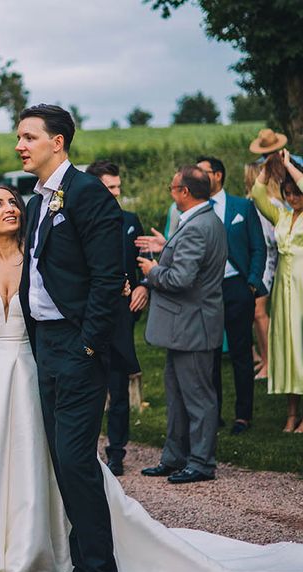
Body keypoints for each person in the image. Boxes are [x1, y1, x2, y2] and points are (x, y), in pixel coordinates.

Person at [0, 185, 303, 572]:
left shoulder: (39, 255)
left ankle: (55, 556)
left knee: (51, 460)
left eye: (12, 202)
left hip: (38, 366)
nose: (9, 208)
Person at [11, 104, 124, 572]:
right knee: (63, 463)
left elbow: (108, 278)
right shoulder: (37, 200)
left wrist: (86, 346)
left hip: (77, 348)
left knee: (76, 463)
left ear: (58, 142)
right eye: (19, 138)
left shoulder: (86, 194)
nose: (20, 146)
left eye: (29, 137)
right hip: (46, 344)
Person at [139, 166, 227, 482]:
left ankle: (201, 463)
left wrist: (152, 270)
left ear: (185, 192)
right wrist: (167, 249)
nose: (171, 191)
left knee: (198, 398)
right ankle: (175, 457)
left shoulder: (196, 227)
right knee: (176, 395)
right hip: (185, 326)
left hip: (192, 325)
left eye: (173, 187)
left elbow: (181, 279)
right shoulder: (206, 220)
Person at [196, 156, 266, 436]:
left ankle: (243, 415)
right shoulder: (197, 209)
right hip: (207, 289)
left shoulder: (242, 207)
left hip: (238, 286)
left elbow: (259, 247)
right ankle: (213, 414)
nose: (198, 177)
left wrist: (251, 283)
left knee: (240, 353)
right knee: (209, 354)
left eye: (203, 173)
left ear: (218, 175)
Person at [86, 160, 147, 476]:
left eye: (118, 187)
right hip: (89, 317)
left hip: (121, 319)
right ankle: (86, 451)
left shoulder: (129, 220)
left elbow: (143, 261)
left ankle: (117, 452)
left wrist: (143, 287)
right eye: (110, 187)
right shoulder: (80, 222)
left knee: (119, 388)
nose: (115, 193)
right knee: (90, 386)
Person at [251, 150, 303, 432]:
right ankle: (291, 413)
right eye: (288, 193)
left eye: (297, 193)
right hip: (284, 291)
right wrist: (269, 168)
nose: (293, 198)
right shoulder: (282, 216)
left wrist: (289, 165)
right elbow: (258, 195)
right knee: (288, 347)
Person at [244, 162, 280, 380]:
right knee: (255, 313)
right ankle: (264, 359)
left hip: (266, 261)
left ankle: (269, 362)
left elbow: (273, 238)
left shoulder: (272, 203)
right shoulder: (252, 203)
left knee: (259, 312)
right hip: (257, 261)